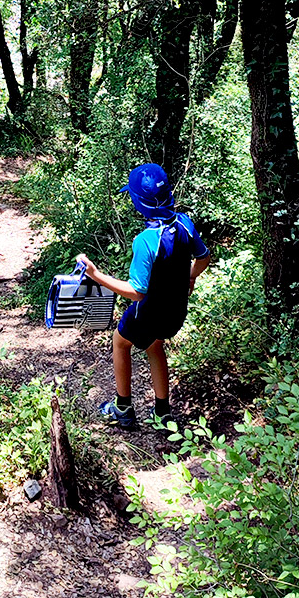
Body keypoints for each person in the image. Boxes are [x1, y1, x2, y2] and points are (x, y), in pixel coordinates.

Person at [76, 163, 210, 429]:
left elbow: (137, 292)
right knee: (154, 345)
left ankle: (123, 407)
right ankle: (162, 414)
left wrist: (95, 274)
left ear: (139, 203)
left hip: (149, 313)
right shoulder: (184, 223)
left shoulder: (145, 240)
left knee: (120, 341)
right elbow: (204, 258)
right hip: (175, 313)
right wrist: (188, 278)